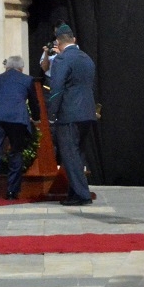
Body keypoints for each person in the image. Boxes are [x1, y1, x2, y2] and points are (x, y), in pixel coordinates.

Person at [47, 24, 97, 206]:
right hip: (87, 112)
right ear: (74, 39)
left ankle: (82, 194)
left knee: (69, 155)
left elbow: (56, 89)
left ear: (58, 42)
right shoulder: (87, 58)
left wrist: (51, 113)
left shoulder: (62, 59)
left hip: (69, 113)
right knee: (78, 154)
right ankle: (74, 192)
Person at [0, 56, 40, 201]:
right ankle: (12, 192)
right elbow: (33, 102)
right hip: (17, 120)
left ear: (6, 67)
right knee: (16, 153)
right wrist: (36, 117)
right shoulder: (27, 80)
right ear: (21, 68)